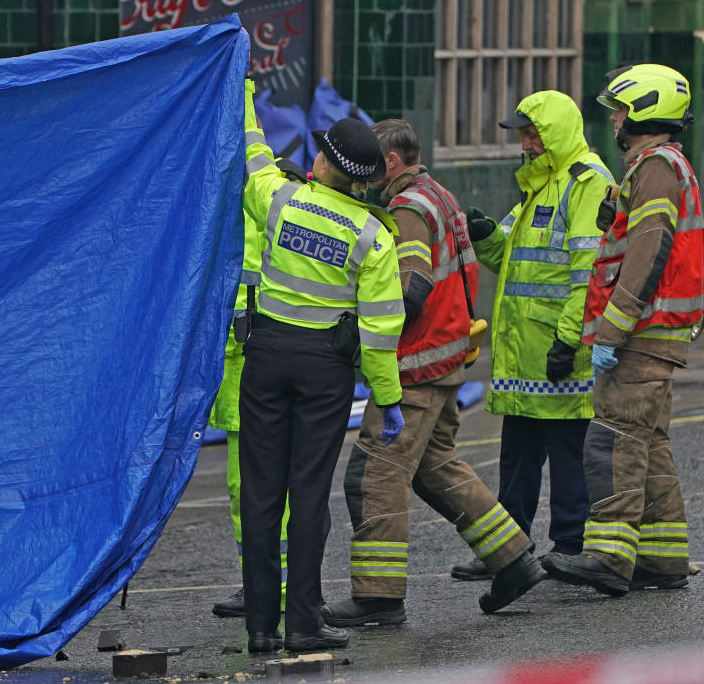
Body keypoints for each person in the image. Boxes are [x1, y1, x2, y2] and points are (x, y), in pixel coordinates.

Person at [323, 119, 545, 626]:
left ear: (394, 163)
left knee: (376, 474)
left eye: (374, 166)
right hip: (446, 358)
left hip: (415, 366)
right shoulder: (438, 196)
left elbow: (413, 284)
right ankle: (513, 559)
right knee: (437, 468)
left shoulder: (408, 210)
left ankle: (378, 597)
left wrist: (364, 335)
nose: (365, 176)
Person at [238, 80, 405, 654]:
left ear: (321, 161)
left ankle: (259, 626)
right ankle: (303, 624)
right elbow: (382, 329)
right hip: (324, 371)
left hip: (265, 357)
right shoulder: (371, 236)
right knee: (307, 496)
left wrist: (242, 99)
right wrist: (387, 398)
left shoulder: (279, 200)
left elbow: (254, 158)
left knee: (261, 493)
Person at [543, 64, 703, 595]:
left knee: (612, 439)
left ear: (639, 112)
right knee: (648, 443)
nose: (612, 119)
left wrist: (613, 328)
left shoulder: (657, 166)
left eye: (618, 109)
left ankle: (608, 557)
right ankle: (662, 557)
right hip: (660, 331)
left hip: (641, 331)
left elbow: (648, 248)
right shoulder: (660, 167)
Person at [453, 91, 615, 580]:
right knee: (518, 458)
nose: (525, 145)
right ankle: (508, 549)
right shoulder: (538, 186)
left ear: (556, 133)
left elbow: (587, 269)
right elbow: (511, 259)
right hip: (526, 356)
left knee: (569, 454)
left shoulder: (587, 182)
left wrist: (569, 340)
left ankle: (569, 545)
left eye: (532, 134)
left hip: (557, 349)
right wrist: (485, 234)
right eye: (522, 135)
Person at [208, 162, 302, 620]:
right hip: (235, 362)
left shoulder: (272, 209)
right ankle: (259, 582)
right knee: (241, 486)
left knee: (264, 487)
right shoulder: (233, 206)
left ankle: (275, 586)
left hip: (256, 359)